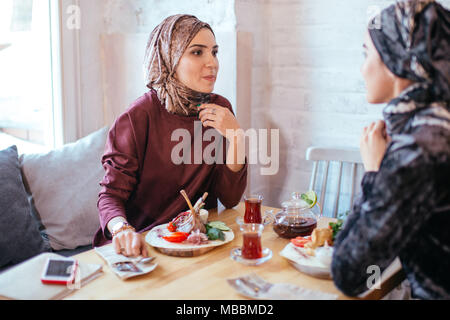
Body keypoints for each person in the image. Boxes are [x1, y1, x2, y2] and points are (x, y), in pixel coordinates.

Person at [92, 15, 248, 257]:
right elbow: (110, 196)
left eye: (214, 52)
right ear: (169, 59)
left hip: (194, 245)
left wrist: (237, 137)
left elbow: (229, 199)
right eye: (197, 52)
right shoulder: (137, 117)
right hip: (139, 246)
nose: (212, 63)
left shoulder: (219, 110)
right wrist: (123, 229)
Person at [331, 0, 450, 299]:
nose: (362, 67)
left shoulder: (420, 148)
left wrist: (374, 172)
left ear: (396, 59)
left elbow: (350, 272)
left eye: (366, 53)